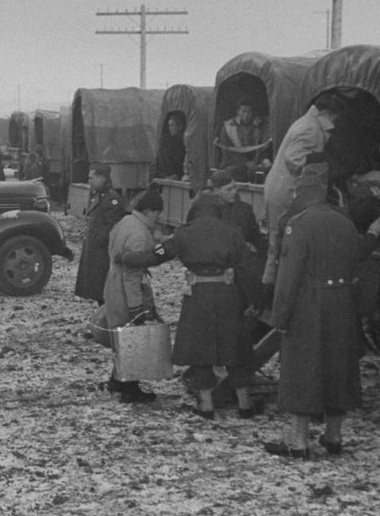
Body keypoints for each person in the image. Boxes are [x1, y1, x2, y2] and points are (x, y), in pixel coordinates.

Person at [264, 160, 380, 459]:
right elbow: (359, 255)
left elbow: (288, 277)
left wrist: (279, 317)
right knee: (338, 368)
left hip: (309, 305)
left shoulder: (300, 224)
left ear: (305, 192)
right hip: (342, 304)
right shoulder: (343, 221)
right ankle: (333, 436)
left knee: (303, 370)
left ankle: (298, 442)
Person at [130, 193, 260, 419]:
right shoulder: (232, 231)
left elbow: (157, 255)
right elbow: (247, 269)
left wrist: (128, 259)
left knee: (200, 349)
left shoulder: (184, 233)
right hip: (228, 294)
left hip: (199, 296)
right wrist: (255, 301)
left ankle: (206, 405)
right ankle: (245, 404)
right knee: (234, 347)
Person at [261, 93, 343, 287]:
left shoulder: (305, 122)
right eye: (334, 118)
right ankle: (276, 291)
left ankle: (271, 291)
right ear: (325, 113)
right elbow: (295, 160)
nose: (334, 123)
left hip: (280, 188)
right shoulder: (310, 128)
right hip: (289, 192)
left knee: (277, 243)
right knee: (284, 246)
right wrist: (326, 163)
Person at [103, 186, 165, 403]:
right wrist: (136, 307)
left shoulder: (127, 221)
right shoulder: (140, 234)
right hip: (125, 289)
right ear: (148, 211)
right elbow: (132, 275)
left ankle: (116, 381)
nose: (158, 217)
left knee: (122, 337)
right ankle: (130, 389)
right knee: (132, 337)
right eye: (157, 212)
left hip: (112, 282)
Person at [74, 162, 126, 305]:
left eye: (92, 178)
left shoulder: (111, 199)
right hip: (96, 251)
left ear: (102, 178)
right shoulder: (100, 196)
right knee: (98, 289)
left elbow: (113, 224)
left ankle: (107, 317)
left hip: (102, 253)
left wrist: (99, 240)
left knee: (103, 289)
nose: (89, 181)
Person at [155, 114, 186, 179]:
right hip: (165, 175)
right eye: (169, 126)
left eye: (172, 126)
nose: (170, 128)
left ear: (178, 126)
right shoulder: (165, 141)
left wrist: (178, 175)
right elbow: (162, 161)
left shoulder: (182, 142)